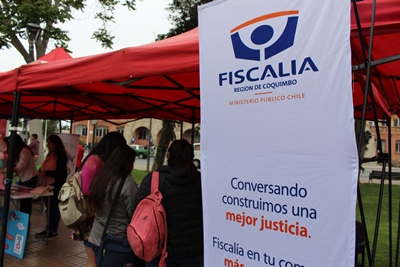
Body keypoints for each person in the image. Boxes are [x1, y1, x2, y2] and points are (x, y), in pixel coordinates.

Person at [132, 139, 203, 267]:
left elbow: (137, 211)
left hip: (159, 249)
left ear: (169, 156)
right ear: (191, 157)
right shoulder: (200, 181)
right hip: (194, 250)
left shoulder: (155, 179)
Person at [71, 131, 126, 267]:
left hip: (98, 216)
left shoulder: (103, 161)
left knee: (98, 258)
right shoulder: (94, 161)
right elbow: (87, 190)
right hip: (91, 216)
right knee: (93, 259)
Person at [87, 144, 144, 267]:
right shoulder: (127, 183)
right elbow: (134, 214)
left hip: (96, 238)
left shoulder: (100, 177)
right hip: (116, 243)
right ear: (127, 163)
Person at [35, 134, 68, 239]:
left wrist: (46, 173)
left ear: (54, 144)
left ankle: (53, 230)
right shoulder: (50, 155)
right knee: (49, 208)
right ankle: (48, 228)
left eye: (49, 143)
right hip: (46, 186)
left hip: (55, 186)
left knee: (53, 208)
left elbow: (61, 173)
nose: (47, 145)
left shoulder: (60, 156)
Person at [7, 134, 38, 217]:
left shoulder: (25, 151)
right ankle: (22, 220)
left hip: (30, 178)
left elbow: (21, 166)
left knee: (26, 202)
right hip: (24, 178)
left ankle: (26, 221)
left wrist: (10, 169)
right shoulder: (18, 151)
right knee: (22, 201)